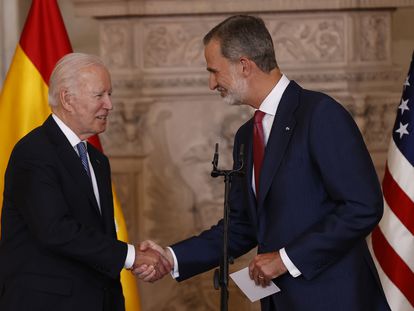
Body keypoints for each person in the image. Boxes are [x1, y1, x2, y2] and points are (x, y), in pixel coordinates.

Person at [134, 15, 391, 311]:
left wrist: (284, 260)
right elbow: (242, 225)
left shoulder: (320, 114)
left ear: (244, 65)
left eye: (214, 71)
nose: (211, 83)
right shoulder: (247, 135)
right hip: (279, 302)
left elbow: (362, 206)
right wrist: (171, 256)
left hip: (335, 299)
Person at [0, 53, 170, 311]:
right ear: (68, 99)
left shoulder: (97, 160)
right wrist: (132, 256)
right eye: (99, 95)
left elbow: (98, 235)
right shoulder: (33, 153)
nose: (109, 105)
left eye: (109, 94)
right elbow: (56, 230)